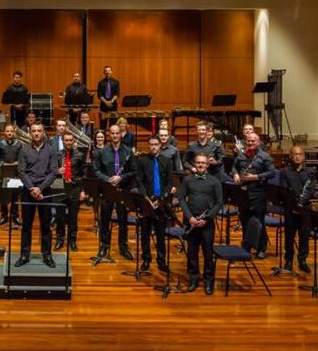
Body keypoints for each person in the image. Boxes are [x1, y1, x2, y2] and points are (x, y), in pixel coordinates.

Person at [177, 153, 223, 295]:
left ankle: (209, 280)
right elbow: (181, 198)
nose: (201, 165)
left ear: (208, 165)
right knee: (192, 252)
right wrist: (189, 217)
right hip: (191, 222)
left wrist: (207, 218)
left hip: (206, 223)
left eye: (203, 163)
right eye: (198, 163)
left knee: (208, 253)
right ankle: (194, 278)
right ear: (194, 164)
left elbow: (219, 202)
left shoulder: (214, 181)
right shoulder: (188, 180)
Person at [17, 122, 58, 268]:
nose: (36, 133)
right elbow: (21, 171)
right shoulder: (24, 149)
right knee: (26, 225)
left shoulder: (51, 150)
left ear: (43, 132)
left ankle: (47, 255)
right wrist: (32, 188)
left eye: (39, 131)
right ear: (30, 133)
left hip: (45, 192)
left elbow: (54, 172)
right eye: (33, 131)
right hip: (28, 191)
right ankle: (24, 255)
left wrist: (39, 188)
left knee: (46, 225)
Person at [93, 125, 136, 260]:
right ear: (109, 135)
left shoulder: (128, 151)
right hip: (107, 190)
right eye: (113, 133)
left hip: (123, 190)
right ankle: (104, 246)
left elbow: (134, 171)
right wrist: (108, 179)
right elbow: (96, 170)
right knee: (104, 219)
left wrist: (120, 178)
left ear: (120, 135)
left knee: (123, 220)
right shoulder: (101, 152)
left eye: (117, 133)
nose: (115, 136)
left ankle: (123, 247)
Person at [231, 133, 275, 259]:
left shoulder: (264, 156)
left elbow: (272, 173)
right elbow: (234, 167)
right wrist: (235, 174)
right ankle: (247, 245)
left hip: (258, 193)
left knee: (258, 221)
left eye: (253, 141)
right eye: (248, 141)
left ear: (259, 142)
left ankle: (261, 248)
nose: (250, 143)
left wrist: (256, 177)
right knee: (245, 221)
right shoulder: (241, 155)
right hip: (243, 193)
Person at [136, 135, 173, 272]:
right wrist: (146, 198)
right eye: (151, 144)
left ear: (160, 145)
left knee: (160, 234)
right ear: (148, 145)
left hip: (161, 202)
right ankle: (146, 259)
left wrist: (161, 198)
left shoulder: (167, 161)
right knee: (145, 233)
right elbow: (139, 181)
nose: (153, 147)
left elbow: (169, 182)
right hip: (146, 202)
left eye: (156, 144)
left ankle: (161, 261)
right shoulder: (142, 161)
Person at [280, 145, 315, 273]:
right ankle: (288, 261)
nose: (297, 156)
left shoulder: (310, 172)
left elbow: (311, 190)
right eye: (294, 154)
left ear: (304, 156)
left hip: (305, 209)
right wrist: (294, 204)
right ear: (290, 156)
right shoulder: (285, 172)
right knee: (289, 235)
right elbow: (284, 190)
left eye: (300, 154)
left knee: (304, 235)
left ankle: (302, 260)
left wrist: (301, 202)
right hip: (290, 208)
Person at [54, 132, 86, 252]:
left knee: (73, 217)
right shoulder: (57, 155)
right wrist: (58, 170)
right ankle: (60, 239)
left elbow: (83, 174)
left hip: (74, 188)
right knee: (59, 216)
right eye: (66, 140)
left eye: (70, 140)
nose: (68, 142)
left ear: (73, 141)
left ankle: (72, 240)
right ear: (63, 141)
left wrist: (83, 190)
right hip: (60, 187)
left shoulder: (80, 155)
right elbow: (51, 171)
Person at [0, 124, 23, 226]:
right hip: (4, 172)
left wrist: (17, 163)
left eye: (11, 131)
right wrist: (2, 163)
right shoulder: (0, 144)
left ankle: (15, 216)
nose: (9, 133)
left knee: (15, 196)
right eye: (7, 131)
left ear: (14, 132)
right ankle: (4, 216)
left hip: (15, 172)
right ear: (5, 133)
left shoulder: (19, 144)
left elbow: (22, 158)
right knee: (3, 195)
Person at [97, 65, 119, 129]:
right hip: (103, 105)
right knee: (102, 124)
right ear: (104, 72)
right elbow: (99, 94)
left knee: (113, 124)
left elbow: (117, 94)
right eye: (106, 71)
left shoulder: (116, 82)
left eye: (109, 70)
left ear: (111, 72)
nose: (107, 72)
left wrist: (111, 102)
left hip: (113, 105)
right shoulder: (100, 82)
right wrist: (106, 102)